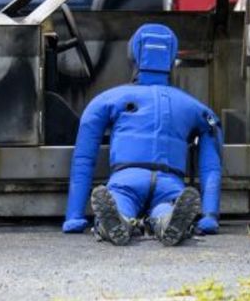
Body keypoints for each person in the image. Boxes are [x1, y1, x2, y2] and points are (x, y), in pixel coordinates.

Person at [62, 23, 222, 246]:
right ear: (171, 58)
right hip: (170, 181)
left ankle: (120, 222)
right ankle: (167, 222)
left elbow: (83, 159)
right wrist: (209, 216)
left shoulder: (107, 100)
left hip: (126, 178)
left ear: (133, 55)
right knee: (166, 207)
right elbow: (211, 165)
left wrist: (74, 216)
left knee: (117, 203)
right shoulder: (194, 107)